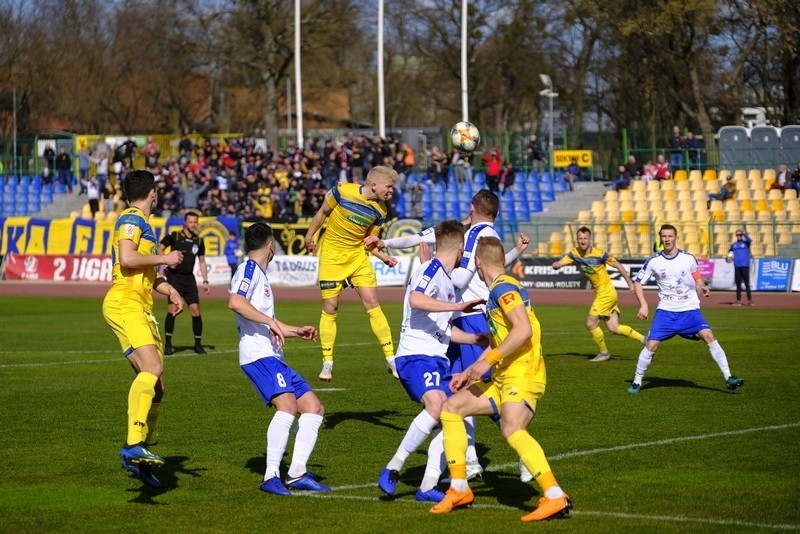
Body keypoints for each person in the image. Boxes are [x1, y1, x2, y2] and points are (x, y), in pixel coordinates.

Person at [368, 189, 530, 481]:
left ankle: (518, 453)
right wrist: (387, 243)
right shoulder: (461, 230)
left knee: (479, 393)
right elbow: (420, 238)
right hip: (460, 322)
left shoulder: (473, 235)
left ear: (472, 207)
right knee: (457, 397)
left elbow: (462, 276)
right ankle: (467, 461)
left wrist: (440, 274)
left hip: (471, 317)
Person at [430, 236, 571, 521]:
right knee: (451, 407)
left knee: (512, 429)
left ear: (479, 264)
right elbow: (503, 339)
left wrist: (488, 363)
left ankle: (554, 495)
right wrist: (471, 371)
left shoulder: (504, 288)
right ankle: (459, 488)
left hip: (522, 372)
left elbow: (522, 331)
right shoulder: (502, 287)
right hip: (505, 374)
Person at [377, 220, 486, 503]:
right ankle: (393, 467)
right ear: (461, 246)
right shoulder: (430, 269)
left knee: (455, 412)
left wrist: (477, 340)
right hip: (415, 356)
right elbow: (416, 299)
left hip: (436, 359)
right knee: (438, 405)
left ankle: (427, 485)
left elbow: (446, 330)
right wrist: (457, 306)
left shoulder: (447, 281)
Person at [228, 222, 330, 495]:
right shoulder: (249, 269)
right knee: (287, 406)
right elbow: (236, 302)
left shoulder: (260, 274)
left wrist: (295, 330)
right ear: (271, 244)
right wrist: (270, 324)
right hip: (258, 354)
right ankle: (271, 474)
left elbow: (267, 321)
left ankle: (297, 473)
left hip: (273, 355)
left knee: (313, 407)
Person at [102, 169, 184, 489]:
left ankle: (141, 454)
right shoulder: (132, 219)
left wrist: (171, 290)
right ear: (153, 193)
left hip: (140, 307)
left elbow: (145, 269)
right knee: (152, 366)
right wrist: (166, 255)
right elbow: (126, 258)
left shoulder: (142, 224)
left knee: (158, 385)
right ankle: (133, 443)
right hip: (125, 304)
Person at [303, 165, 399, 382]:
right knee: (330, 307)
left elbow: (370, 242)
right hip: (332, 257)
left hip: (357, 257)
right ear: (374, 185)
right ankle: (327, 362)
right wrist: (310, 237)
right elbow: (322, 213)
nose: (391, 191)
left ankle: (391, 358)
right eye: (389, 186)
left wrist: (384, 257)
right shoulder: (341, 190)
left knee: (373, 303)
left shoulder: (381, 211)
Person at [627, 224, 745, 394]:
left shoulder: (688, 258)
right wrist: (644, 305)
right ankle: (637, 382)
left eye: (670, 236)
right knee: (651, 345)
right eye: (664, 236)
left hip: (689, 310)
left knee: (708, 335)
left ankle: (729, 377)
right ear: (661, 239)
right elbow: (638, 282)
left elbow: (696, 275)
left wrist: (702, 286)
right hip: (666, 312)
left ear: (676, 238)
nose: (667, 239)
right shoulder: (654, 261)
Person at [552, 226, 645, 362]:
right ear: (577, 240)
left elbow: (618, 265)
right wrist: (557, 264)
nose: (583, 241)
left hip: (606, 294)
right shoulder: (575, 254)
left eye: (585, 238)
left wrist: (630, 283)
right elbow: (561, 261)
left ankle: (604, 353)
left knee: (590, 324)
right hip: (604, 293)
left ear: (590, 240)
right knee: (614, 328)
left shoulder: (600, 254)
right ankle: (645, 340)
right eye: (580, 239)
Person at [158, 211, 210, 355]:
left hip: (189, 279)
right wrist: (166, 261)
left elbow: (202, 261)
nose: (193, 224)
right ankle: (168, 345)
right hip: (174, 278)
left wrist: (205, 281)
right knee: (172, 310)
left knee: (195, 311)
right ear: (185, 222)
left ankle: (198, 345)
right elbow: (159, 247)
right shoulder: (174, 236)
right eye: (190, 222)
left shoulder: (199, 241)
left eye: (195, 222)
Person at [728, 228, 754, 307]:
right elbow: (729, 254)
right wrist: (728, 258)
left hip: (745, 266)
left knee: (747, 284)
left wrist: (744, 233)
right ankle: (738, 300)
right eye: (737, 235)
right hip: (737, 266)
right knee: (738, 284)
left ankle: (750, 300)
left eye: (740, 235)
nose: (739, 236)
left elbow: (750, 240)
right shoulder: (733, 245)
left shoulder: (746, 243)